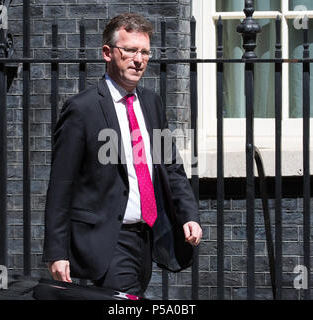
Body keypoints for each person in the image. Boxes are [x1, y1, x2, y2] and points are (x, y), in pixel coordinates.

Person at [42, 13, 202, 297]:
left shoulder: (152, 103)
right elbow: (61, 185)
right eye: (129, 50)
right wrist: (57, 251)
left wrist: (188, 214)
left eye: (144, 52)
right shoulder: (83, 109)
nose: (138, 60)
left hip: (147, 237)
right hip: (108, 240)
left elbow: (171, 165)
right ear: (107, 53)